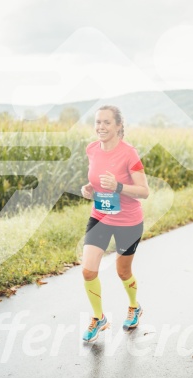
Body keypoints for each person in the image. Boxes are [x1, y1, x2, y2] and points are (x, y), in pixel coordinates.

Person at [80, 105, 150, 342]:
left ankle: (134, 306)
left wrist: (119, 187)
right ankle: (98, 318)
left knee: (123, 271)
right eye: (98, 122)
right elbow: (97, 181)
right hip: (100, 215)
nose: (100, 127)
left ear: (119, 125)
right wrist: (90, 189)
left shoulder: (129, 153)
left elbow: (144, 191)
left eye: (106, 122)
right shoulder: (91, 149)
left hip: (128, 221)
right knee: (88, 270)